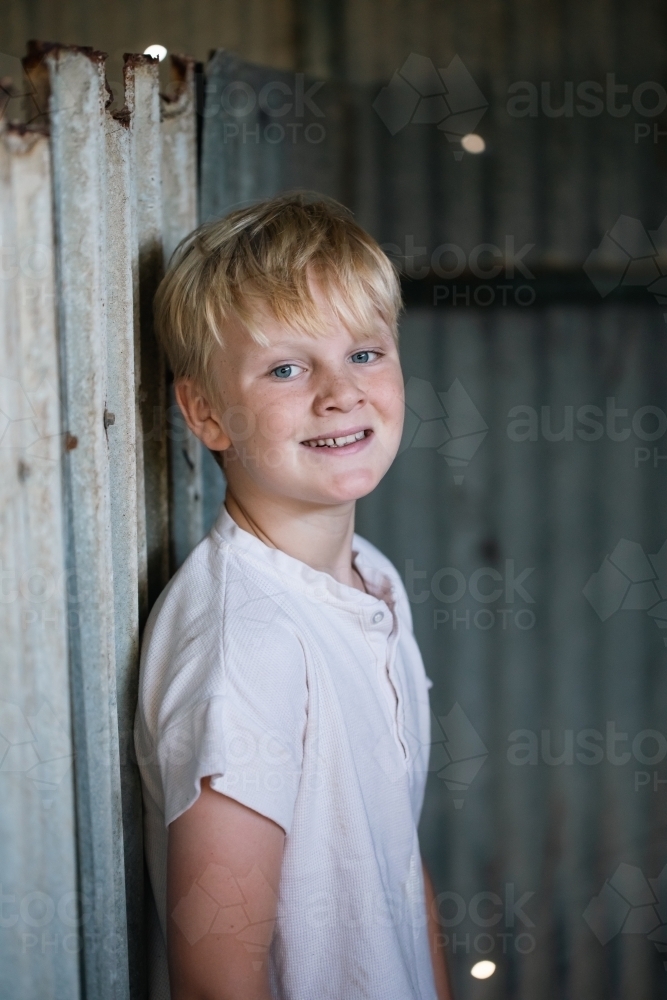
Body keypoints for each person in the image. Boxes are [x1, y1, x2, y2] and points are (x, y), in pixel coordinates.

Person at [135, 192, 453, 1000]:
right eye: (284, 368)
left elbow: (395, 865)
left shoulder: (369, 579)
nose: (339, 392)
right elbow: (215, 977)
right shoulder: (248, 644)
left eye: (364, 353)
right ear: (206, 412)